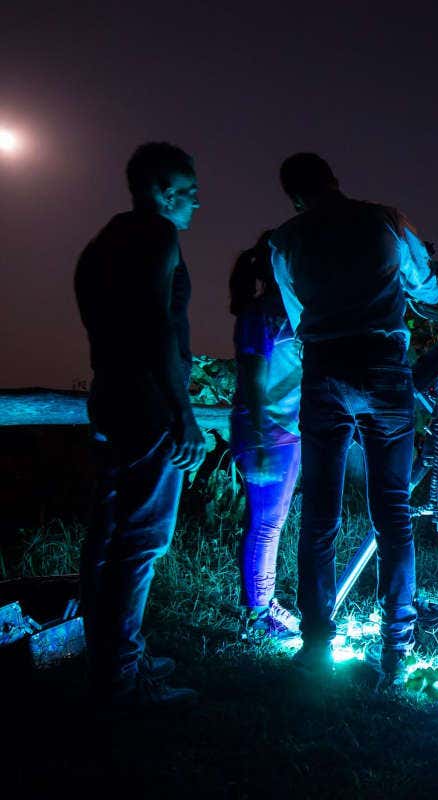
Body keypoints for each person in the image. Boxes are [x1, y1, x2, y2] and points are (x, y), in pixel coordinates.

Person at [269, 153, 438, 680]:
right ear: (335, 178)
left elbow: (298, 317)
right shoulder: (385, 219)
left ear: (295, 197)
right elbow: (426, 285)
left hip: (324, 372)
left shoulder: (284, 240)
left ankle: (317, 642)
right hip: (385, 366)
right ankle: (396, 646)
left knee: (320, 515)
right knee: (391, 512)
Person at [74, 141, 205, 708]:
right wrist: (183, 412)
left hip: (108, 397)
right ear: (163, 191)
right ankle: (122, 679)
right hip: (148, 403)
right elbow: (157, 327)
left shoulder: (99, 244)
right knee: (143, 540)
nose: (197, 206)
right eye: (191, 194)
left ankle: (111, 657)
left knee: (106, 537)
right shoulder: (157, 235)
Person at [228, 231, 303, 640]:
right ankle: (260, 614)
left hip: (280, 431)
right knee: (266, 525)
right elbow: (255, 381)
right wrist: (256, 441)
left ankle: (263, 603)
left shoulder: (285, 313)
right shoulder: (262, 316)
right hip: (269, 433)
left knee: (270, 523)